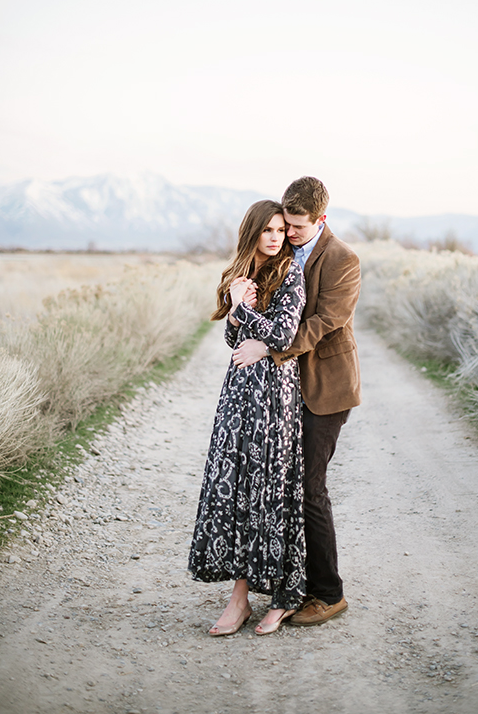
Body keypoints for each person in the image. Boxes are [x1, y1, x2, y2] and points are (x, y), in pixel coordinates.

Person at [232, 176, 361, 626]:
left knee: (309, 488)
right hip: (283, 392)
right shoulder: (280, 253)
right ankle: (291, 585)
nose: (288, 233)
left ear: (320, 219)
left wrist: (271, 347)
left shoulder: (344, 259)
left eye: (297, 228)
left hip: (326, 389)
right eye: (284, 225)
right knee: (281, 488)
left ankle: (329, 594)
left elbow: (326, 320)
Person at [188, 199, 307, 636]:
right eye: (268, 230)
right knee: (235, 488)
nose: (276, 237)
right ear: (253, 233)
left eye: (281, 230)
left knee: (269, 489)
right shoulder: (242, 275)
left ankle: (282, 595)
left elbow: (283, 334)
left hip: (275, 395)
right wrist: (238, 308)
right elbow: (232, 336)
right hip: (239, 393)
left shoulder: (291, 271)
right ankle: (237, 600)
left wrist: (246, 314)